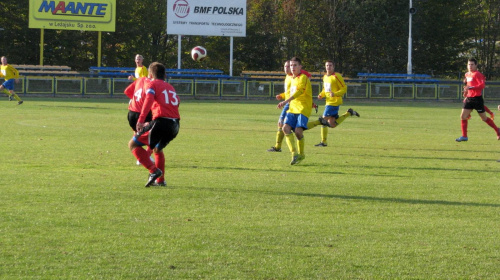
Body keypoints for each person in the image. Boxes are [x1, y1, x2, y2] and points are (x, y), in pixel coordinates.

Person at [128, 62, 181, 187]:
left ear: (151, 74)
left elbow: (149, 99)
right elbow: (177, 102)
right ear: (165, 75)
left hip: (161, 122)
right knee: (158, 148)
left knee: (133, 144)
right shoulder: (170, 87)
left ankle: (153, 171)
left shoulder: (152, 84)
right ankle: (160, 181)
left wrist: (141, 120)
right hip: (175, 125)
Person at [307, 60, 359, 146]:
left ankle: (323, 142)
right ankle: (349, 113)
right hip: (328, 102)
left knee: (323, 120)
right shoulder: (325, 77)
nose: (328, 67)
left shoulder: (337, 76)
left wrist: (335, 94)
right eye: (327, 65)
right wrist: (321, 94)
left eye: (330, 65)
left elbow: (344, 88)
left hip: (334, 102)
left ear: (333, 67)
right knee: (332, 124)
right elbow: (325, 89)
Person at [277, 57, 312, 165]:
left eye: (295, 65)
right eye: (291, 65)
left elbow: (299, 92)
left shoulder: (303, 77)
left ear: (300, 67)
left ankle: (301, 154)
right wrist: (282, 96)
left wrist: (285, 101)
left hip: (303, 107)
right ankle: (294, 154)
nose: (292, 67)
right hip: (292, 107)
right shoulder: (290, 78)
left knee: (298, 132)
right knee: (285, 128)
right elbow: (289, 92)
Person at [456, 58, 500, 142]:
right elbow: (468, 85)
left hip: (477, 99)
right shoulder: (467, 74)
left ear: (476, 65)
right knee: (463, 116)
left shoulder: (478, 74)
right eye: (469, 64)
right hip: (469, 99)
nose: (470, 66)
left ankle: (497, 130)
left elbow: (482, 85)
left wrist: (471, 87)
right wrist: (466, 92)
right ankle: (464, 136)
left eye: (472, 64)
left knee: (484, 118)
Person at [123, 76, 154, 165]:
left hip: (131, 114)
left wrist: (136, 101)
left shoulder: (140, 79)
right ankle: (144, 156)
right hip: (144, 114)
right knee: (154, 136)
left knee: (138, 134)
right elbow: (150, 97)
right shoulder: (151, 83)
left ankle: (142, 156)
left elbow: (127, 91)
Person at [267, 60, 293, 152]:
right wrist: (281, 96)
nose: (286, 68)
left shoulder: (293, 78)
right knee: (281, 124)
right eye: (285, 66)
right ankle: (278, 146)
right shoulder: (288, 77)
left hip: (291, 104)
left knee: (283, 124)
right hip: (288, 103)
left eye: (288, 66)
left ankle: (278, 147)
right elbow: (288, 93)